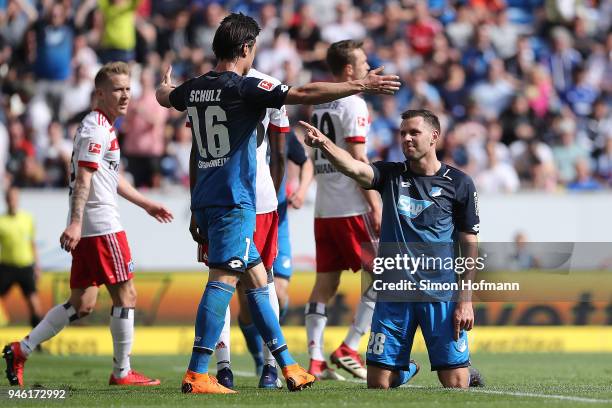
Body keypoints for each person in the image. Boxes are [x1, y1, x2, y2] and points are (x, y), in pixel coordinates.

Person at [155, 12, 399, 394]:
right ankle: (198, 371)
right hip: (235, 200)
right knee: (222, 279)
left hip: (206, 197)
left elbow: (164, 97)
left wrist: (165, 85)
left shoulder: (194, 87)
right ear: (246, 48)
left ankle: (288, 365)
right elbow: (301, 94)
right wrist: (359, 85)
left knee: (258, 281)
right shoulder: (245, 87)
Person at [3, 62, 174, 387]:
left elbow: (110, 177)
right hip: (101, 225)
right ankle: (122, 372)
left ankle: (20, 349)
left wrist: (146, 203)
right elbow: (84, 178)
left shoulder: (102, 126)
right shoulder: (96, 127)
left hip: (90, 225)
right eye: (117, 90)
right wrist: (78, 223)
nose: (125, 96)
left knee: (82, 303)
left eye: (127, 89)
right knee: (127, 295)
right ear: (99, 94)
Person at [300, 109, 482, 389]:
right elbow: (354, 167)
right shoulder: (391, 175)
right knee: (378, 384)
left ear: (434, 137)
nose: (406, 139)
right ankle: (407, 369)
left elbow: (469, 243)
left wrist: (465, 299)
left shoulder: (459, 183)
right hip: (394, 295)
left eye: (414, 133)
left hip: (440, 295)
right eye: (403, 133)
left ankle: (465, 371)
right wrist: (325, 143)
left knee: (456, 384)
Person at [195, 67, 289, 390]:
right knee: (266, 281)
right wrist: (272, 197)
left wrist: (196, 205)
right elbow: (279, 153)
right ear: (248, 47)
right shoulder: (271, 85)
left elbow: (197, 150)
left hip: (215, 195)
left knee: (220, 281)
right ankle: (271, 370)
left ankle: (223, 369)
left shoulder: (201, 88)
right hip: (257, 196)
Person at [304, 40, 382, 381]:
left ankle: (316, 360)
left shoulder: (321, 105)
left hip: (324, 209)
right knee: (386, 277)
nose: (368, 65)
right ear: (348, 70)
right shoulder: (355, 104)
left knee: (325, 285)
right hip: (351, 206)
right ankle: (350, 347)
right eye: (363, 61)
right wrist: (375, 204)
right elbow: (358, 160)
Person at [0, 187, 42, 331]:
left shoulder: (27, 219)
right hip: (6, 267)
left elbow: (33, 243)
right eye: (10, 198)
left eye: (15, 198)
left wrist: (37, 266)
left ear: (18, 200)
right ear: (6, 200)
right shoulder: (1, 221)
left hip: (25, 266)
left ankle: (37, 340)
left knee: (34, 304)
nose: (12, 201)